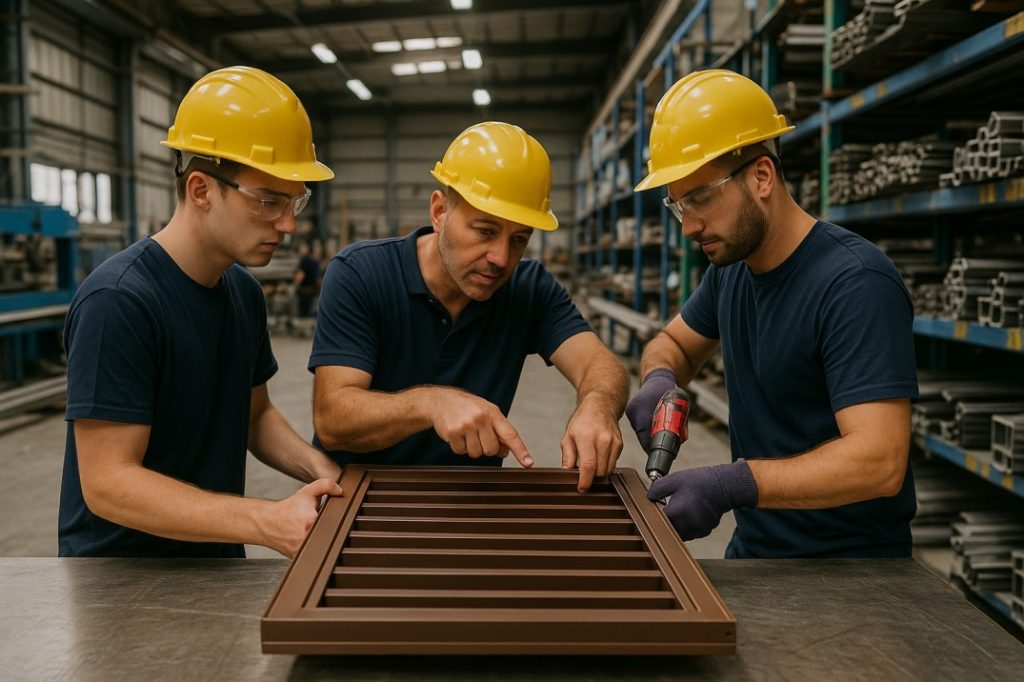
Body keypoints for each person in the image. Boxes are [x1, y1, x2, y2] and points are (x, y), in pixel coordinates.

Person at [627, 70, 918, 558]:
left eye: (700, 198)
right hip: (758, 551)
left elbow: (880, 460)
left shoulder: (855, 283)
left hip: (855, 573)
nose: (690, 226)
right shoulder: (732, 271)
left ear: (761, 176)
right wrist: (659, 377)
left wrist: (732, 483)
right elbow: (673, 344)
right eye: (678, 207)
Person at [58, 66, 343, 558]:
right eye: (269, 201)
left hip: (212, 566)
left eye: (296, 201)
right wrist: (264, 520)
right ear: (201, 190)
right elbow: (107, 482)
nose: (289, 224)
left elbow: (255, 416)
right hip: (121, 587)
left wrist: (325, 471)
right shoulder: (120, 302)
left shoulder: (242, 294)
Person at [310, 121, 629, 492]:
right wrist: (432, 404)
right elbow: (332, 420)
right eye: (485, 231)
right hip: (360, 499)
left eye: (520, 239)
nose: (501, 258)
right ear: (439, 211)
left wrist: (598, 405)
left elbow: (599, 364)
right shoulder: (361, 274)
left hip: (470, 502)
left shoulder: (529, 288)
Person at [294, 238, 323, 318]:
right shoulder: (315, 262)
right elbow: (318, 279)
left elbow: (300, 276)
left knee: (302, 315)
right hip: (312, 292)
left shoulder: (304, 261)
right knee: (309, 316)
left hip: (303, 292)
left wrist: (295, 286)